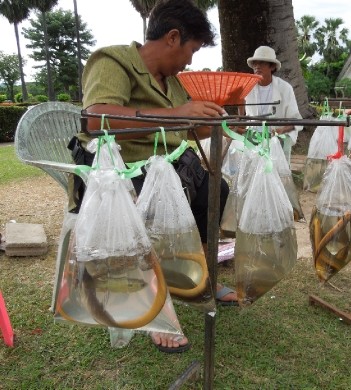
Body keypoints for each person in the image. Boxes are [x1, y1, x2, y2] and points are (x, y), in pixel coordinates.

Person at [71, 0, 239, 353]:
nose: (191, 61)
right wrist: (177, 114)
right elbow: (95, 118)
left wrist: (221, 113)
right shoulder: (113, 61)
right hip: (120, 173)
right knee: (143, 209)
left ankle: (199, 277)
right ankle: (155, 307)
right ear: (173, 37)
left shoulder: (173, 83)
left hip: (168, 169)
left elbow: (188, 127)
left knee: (215, 190)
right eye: (191, 50)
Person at [243, 46, 303, 165]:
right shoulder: (248, 88)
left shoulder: (285, 88)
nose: (257, 66)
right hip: (254, 138)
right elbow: (246, 117)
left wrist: (279, 131)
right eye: (255, 63)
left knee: (274, 171)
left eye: (262, 63)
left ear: (272, 66)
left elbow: (296, 121)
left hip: (277, 139)